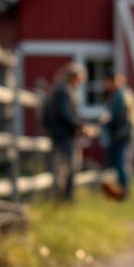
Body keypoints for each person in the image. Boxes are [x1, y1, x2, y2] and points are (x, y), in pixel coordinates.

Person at [42, 63, 86, 202]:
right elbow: (64, 114)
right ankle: (65, 199)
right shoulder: (63, 91)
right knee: (69, 167)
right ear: (74, 77)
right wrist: (79, 127)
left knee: (64, 168)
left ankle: (63, 198)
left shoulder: (61, 89)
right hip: (64, 135)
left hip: (62, 134)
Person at [100, 73, 134, 200]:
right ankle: (121, 191)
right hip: (123, 133)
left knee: (119, 163)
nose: (105, 85)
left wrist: (105, 123)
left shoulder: (119, 95)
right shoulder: (124, 93)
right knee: (120, 162)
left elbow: (118, 117)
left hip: (121, 134)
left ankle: (123, 192)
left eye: (106, 82)